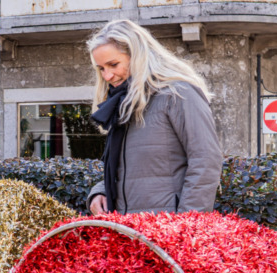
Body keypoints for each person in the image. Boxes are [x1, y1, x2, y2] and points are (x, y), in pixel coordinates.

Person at [86, 20, 223, 215]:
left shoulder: (178, 94)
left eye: (113, 64)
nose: (107, 76)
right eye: (101, 68)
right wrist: (101, 191)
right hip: (130, 231)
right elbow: (130, 169)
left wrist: (186, 226)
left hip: (167, 232)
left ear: (138, 56)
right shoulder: (122, 103)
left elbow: (206, 160)